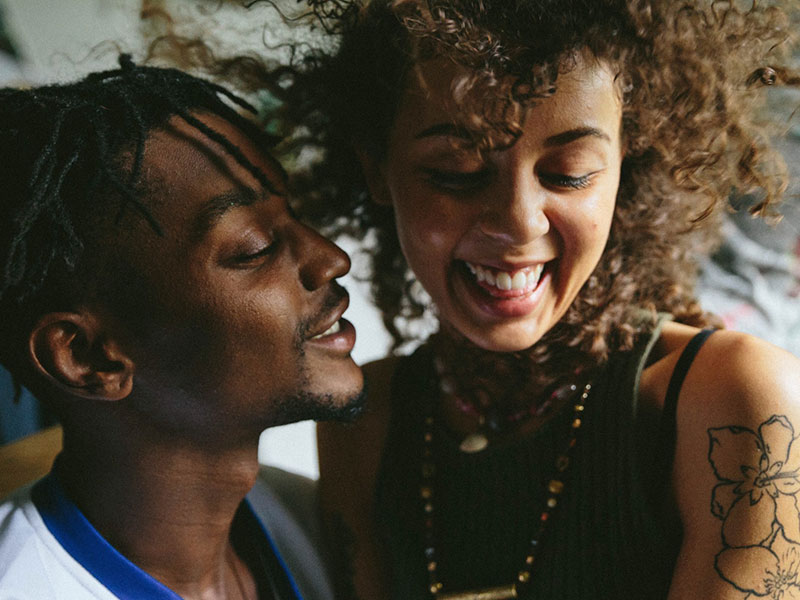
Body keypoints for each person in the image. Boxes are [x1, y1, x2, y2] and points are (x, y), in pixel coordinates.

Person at [232, 0, 800, 598]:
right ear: (377, 169)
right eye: (456, 170)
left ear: (624, 165)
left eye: (570, 172)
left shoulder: (735, 404)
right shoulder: (366, 427)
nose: (518, 223)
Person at [0, 56, 363, 600]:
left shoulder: (320, 531)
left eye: (297, 214)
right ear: (87, 357)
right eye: (256, 248)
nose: (330, 258)